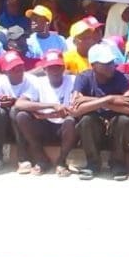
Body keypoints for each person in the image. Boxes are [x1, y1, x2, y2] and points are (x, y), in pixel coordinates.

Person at [70, 43, 129, 181]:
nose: (111, 66)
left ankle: (118, 162)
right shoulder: (84, 77)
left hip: (115, 126)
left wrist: (92, 101)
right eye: (106, 63)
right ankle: (93, 163)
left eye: (112, 62)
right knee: (86, 120)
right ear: (93, 65)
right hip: (95, 126)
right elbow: (75, 109)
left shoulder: (120, 77)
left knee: (124, 120)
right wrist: (108, 99)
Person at [13, 49, 78, 177]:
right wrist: (52, 106)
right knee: (21, 115)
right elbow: (19, 103)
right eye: (51, 67)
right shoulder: (39, 83)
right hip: (45, 125)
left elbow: (74, 108)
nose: (55, 71)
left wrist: (43, 114)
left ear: (63, 67)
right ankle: (41, 159)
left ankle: (61, 161)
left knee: (71, 121)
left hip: (65, 126)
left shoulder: (73, 80)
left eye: (58, 67)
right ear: (44, 70)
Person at [0, 50, 39, 175]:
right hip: (5, 124)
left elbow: (32, 104)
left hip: (27, 122)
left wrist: (14, 102)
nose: (19, 70)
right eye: (14, 68)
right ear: (5, 71)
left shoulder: (32, 80)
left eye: (20, 67)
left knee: (16, 110)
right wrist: (1, 103)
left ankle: (23, 158)